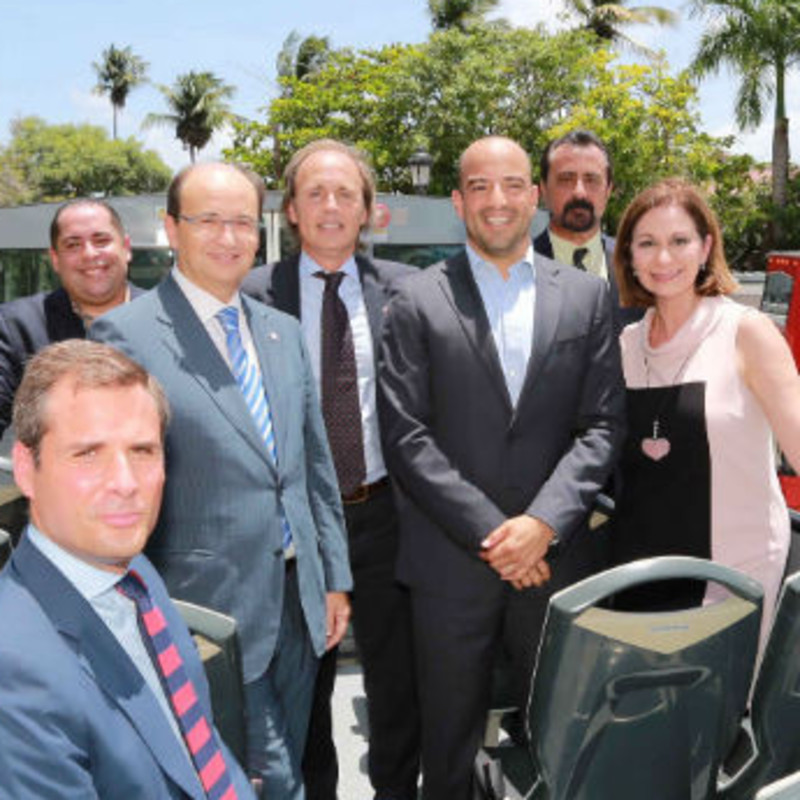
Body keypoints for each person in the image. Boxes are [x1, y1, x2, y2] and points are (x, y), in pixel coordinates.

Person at [91, 162, 352, 799]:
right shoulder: (125, 338)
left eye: (243, 222)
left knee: (284, 762)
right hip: (205, 611)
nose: (229, 237)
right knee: (271, 781)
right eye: (209, 220)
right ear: (171, 228)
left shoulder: (282, 332)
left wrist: (334, 578)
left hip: (299, 606)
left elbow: (313, 470)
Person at [378, 135, 625, 799]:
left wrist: (542, 524)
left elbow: (603, 426)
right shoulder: (414, 300)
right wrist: (499, 537)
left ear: (534, 196)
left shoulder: (586, 298)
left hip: (556, 565)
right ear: (458, 201)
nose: (498, 200)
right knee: (449, 754)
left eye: (513, 184)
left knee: (567, 747)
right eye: (480, 186)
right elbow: (407, 437)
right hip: (450, 570)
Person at [0, 339, 255, 799]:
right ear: (25, 468)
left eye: (142, 451)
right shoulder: (13, 668)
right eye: (88, 454)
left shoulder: (134, 575)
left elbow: (200, 746)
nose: (125, 483)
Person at [243, 139, 420, 800]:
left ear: (367, 210)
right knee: (305, 688)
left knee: (396, 685)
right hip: (297, 528)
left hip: (387, 516)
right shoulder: (253, 295)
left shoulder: (409, 291)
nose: (331, 205)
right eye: (315, 192)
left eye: (346, 193)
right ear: (290, 209)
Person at [611, 178, 800, 637]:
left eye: (680, 241)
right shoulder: (626, 345)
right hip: (644, 573)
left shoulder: (746, 332)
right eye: (647, 243)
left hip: (734, 577)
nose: (663, 258)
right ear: (629, 255)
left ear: (706, 247)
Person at [0, 198, 143, 437]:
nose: (89, 254)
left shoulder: (169, 320)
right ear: (55, 259)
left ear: (126, 248)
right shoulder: (15, 326)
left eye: (101, 241)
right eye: (73, 245)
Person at [535, 129, 641, 333]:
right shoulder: (514, 271)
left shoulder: (639, 266)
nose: (579, 193)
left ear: (608, 190)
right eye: (566, 179)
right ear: (544, 190)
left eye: (591, 180)